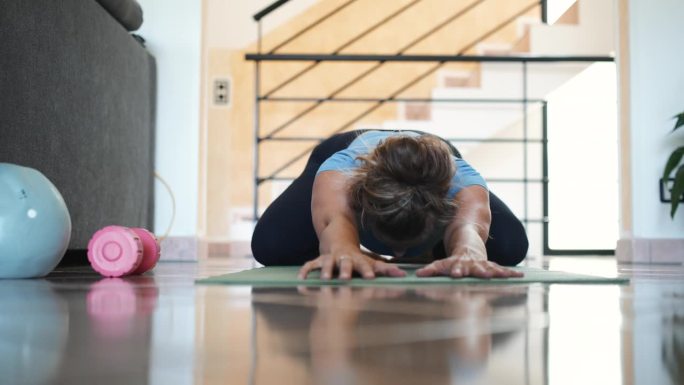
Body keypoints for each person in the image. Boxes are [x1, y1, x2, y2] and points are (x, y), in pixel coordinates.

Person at [251, 129, 528, 280]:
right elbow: (335, 221)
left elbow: (470, 226)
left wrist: (468, 252)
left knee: (509, 245)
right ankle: (429, 250)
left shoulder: (462, 181)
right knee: (271, 244)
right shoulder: (340, 172)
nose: (398, 253)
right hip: (343, 149)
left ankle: (434, 249)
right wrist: (345, 250)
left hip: (433, 153)